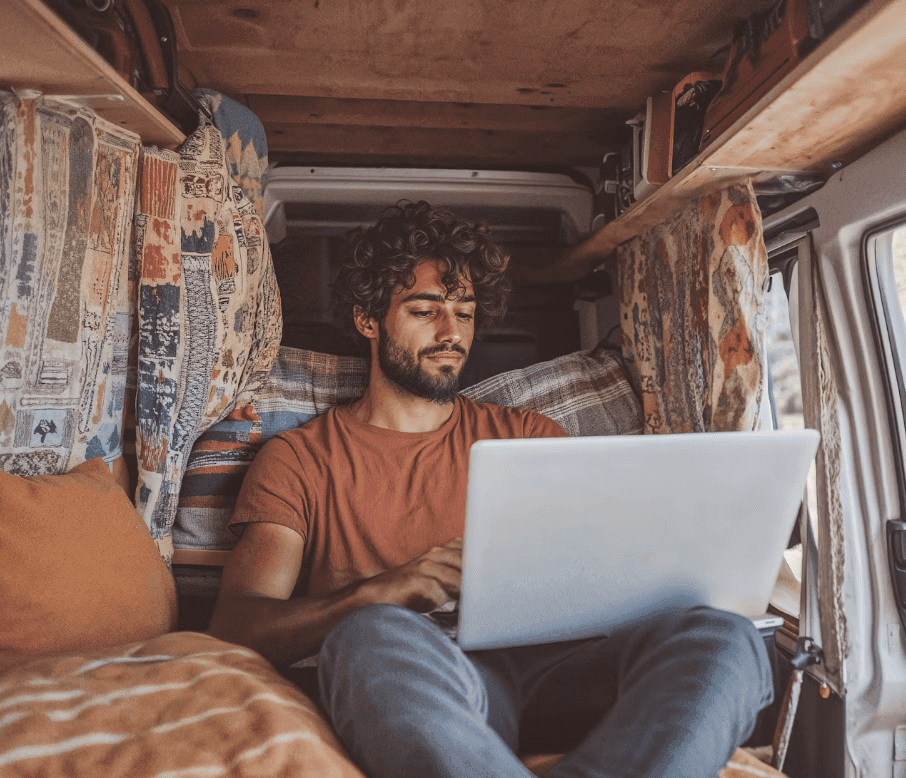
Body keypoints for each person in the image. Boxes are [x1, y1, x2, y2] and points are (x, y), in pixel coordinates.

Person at [209, 201, 773, 778]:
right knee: (370, 634)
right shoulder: (300, 459)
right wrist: (378, 593)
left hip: (562, 671)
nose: (452, 333)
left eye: (465, 313)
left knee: (728, 639)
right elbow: (236, 627)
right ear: (368, 320)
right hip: (424, 679)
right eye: (426, 311)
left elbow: (611, 556)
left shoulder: (527, 435)